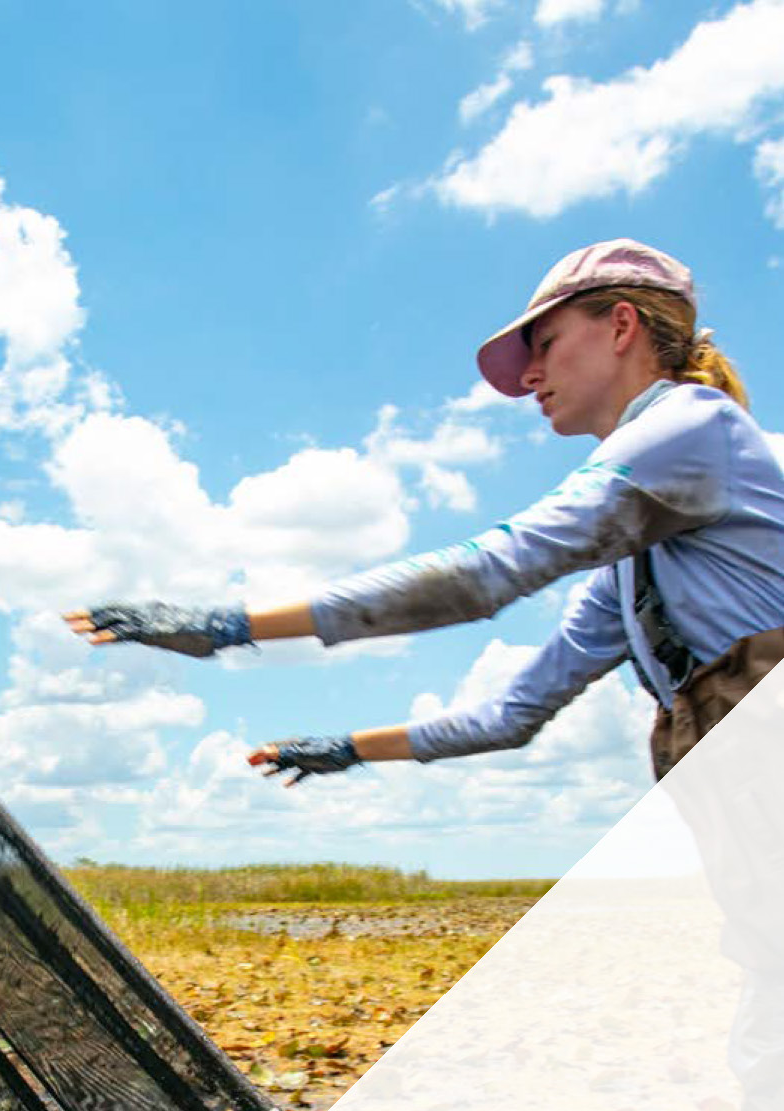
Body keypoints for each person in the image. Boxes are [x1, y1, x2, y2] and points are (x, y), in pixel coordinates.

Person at [64, 239, 784, 785]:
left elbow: (488, 573)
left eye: (546, 344)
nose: (529, 376)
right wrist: (345, 750)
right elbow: (511, 717)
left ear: (620, 325)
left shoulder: (692, 426)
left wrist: (225, 626)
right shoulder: (630, 577)